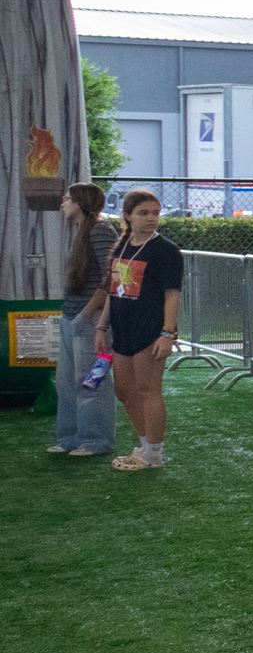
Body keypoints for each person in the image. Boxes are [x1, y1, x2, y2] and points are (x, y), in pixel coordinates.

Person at [98, 188, 185, 472]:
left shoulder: (166, 250)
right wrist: (102, 326)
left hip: (150, 329)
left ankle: (154, 454)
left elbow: (173, 294)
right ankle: (145, 445)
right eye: (144, 213)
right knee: (124, 390)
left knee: (149, 389)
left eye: (155, 213)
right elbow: (114, 290)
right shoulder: (122, 247)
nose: (151, 219)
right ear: (128, 216)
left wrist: (167, 333)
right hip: (122, 329)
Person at [48, 182, 116, 459]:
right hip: (72, 314)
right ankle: (70, 436)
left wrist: (88, 314)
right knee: (67, 381)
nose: (63, 203)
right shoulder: (83, 232)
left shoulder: (100, 230)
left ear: (79, 202)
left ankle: (96, 438)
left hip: (88, 318)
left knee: (91, 381)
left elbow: (111, 275)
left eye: (67, 199)